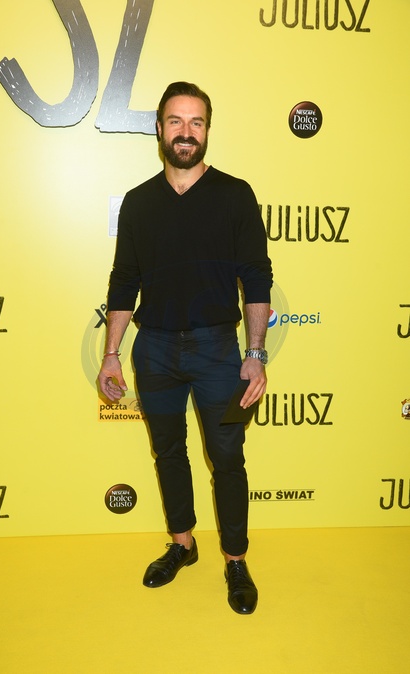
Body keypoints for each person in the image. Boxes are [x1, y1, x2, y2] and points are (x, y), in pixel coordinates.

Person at [98, 81, 273, 615]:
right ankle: (182, 543)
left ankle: (236, 559)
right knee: (168, 451)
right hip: (153, 351)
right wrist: (110, 353)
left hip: (218, 351)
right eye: (176, 121)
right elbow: (124, 280)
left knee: (227, 457)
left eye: (196, 122)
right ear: (159, 128)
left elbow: (256, 277)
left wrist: (256, 354)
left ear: (207, 131)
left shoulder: (234, 195)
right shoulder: (138, 202)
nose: (186, 132)